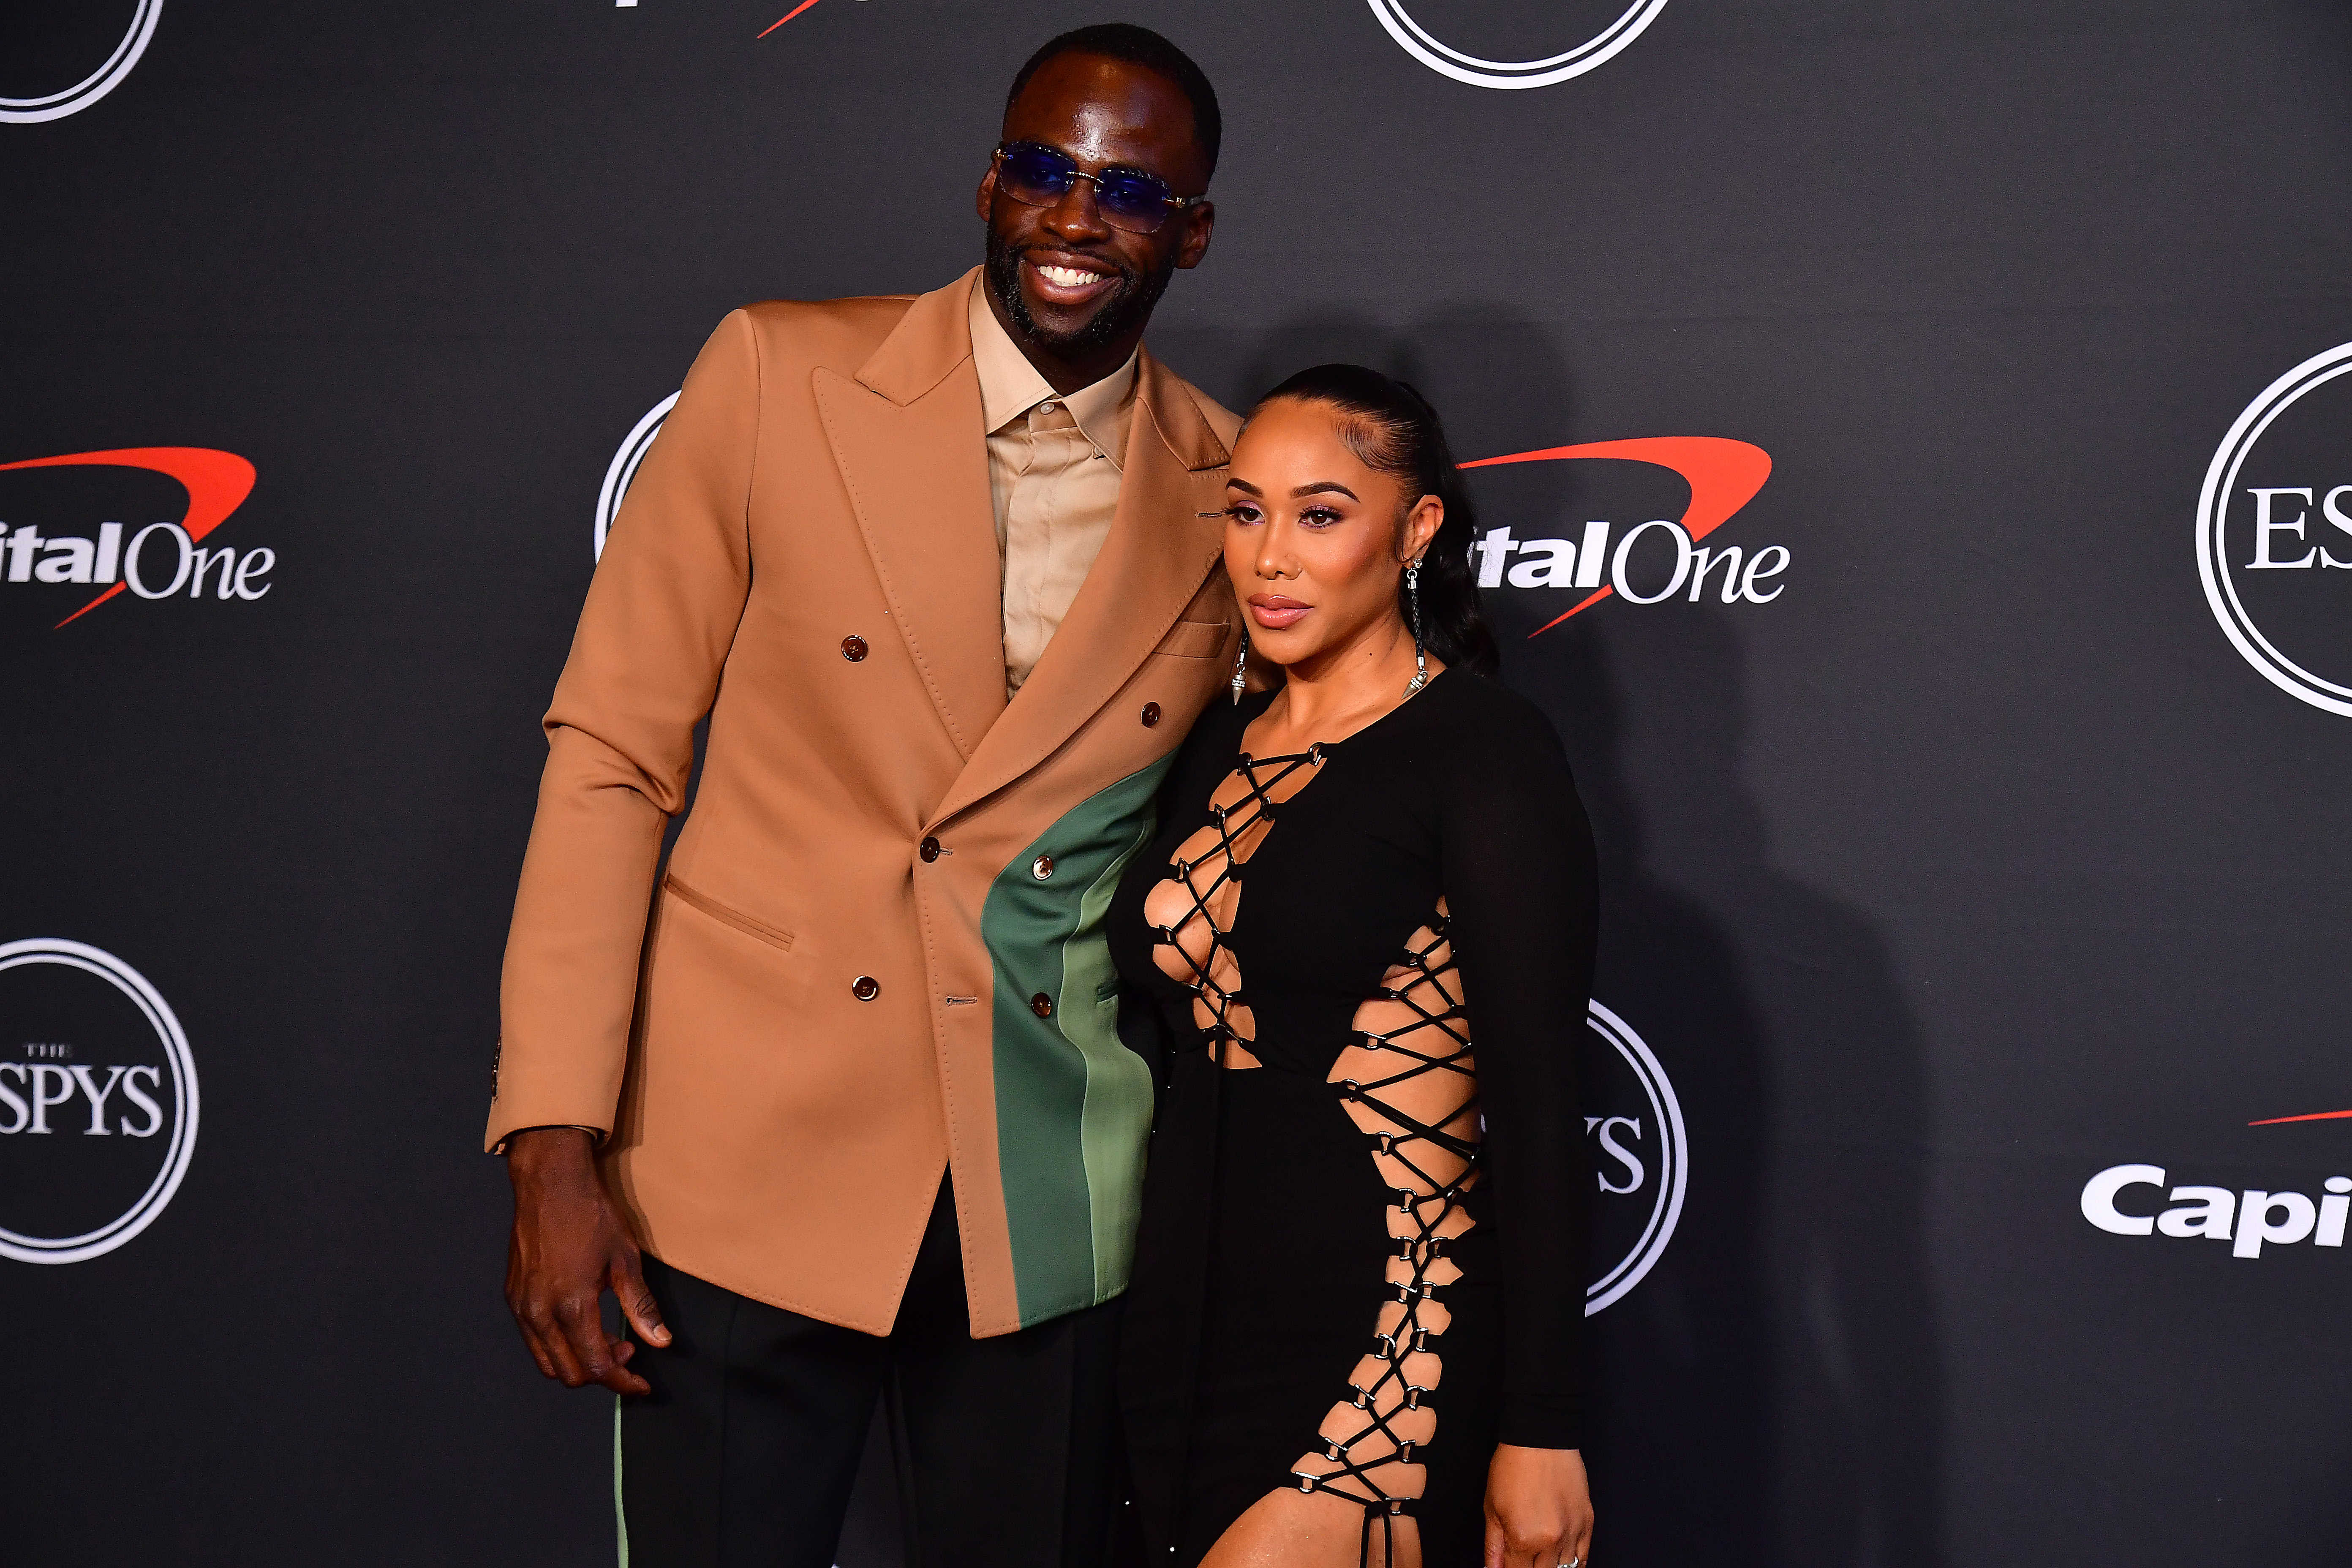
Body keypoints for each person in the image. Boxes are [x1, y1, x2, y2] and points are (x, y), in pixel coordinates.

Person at [485, 25, 1243, 1567]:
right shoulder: (778, 370)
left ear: (1195, 230)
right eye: (1041, 170)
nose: (1074, 219)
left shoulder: (1233, 493)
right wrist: (555, 1144)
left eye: (1129, 190)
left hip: (1046, 1193)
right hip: (738, 1164)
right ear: (987, 179)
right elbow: (614, 759)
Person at [1107, 366, 1600, 1568]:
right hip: (1177, 1319)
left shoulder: (1482, 752)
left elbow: (1538, 1110)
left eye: (1321, 515)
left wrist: (1543, 1428)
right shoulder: (1214, 743)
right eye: (1246, 511)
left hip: (1385, 1324)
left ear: (1415, 530)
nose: (1271, 557)